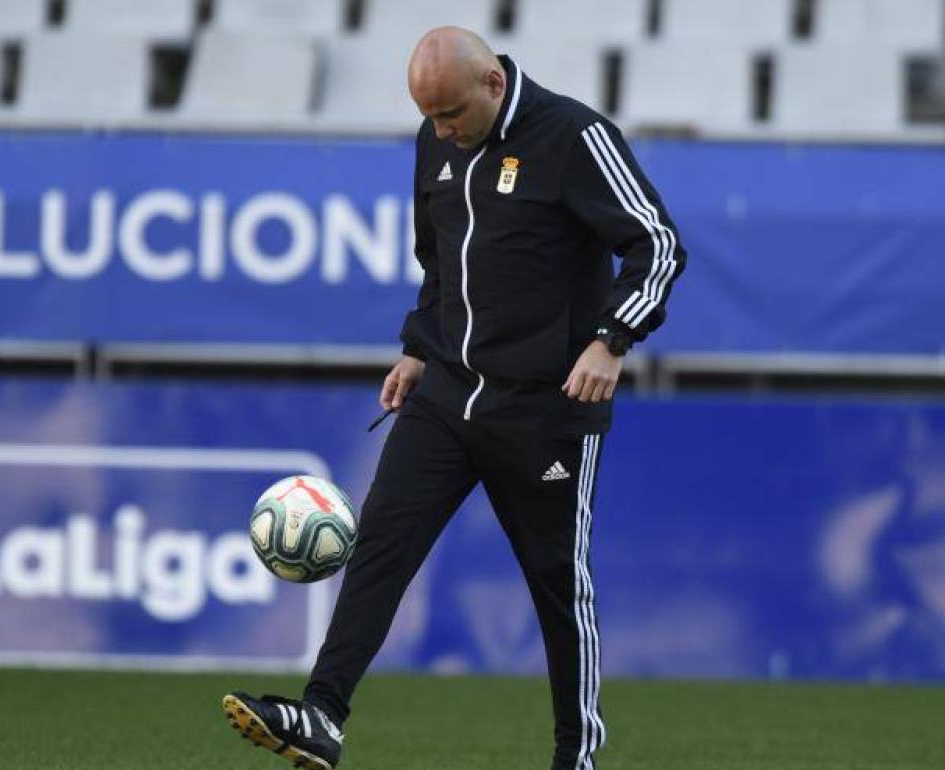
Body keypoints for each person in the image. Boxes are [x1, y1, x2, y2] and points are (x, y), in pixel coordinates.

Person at [222, 26, 686, 770]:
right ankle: (323, 714)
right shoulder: (436, 140)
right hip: (448, 393)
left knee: (558, 587)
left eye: (450, 116)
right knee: (380, 545)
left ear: (493, 85)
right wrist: (416, 346)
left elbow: (658, 245)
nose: (440, 132)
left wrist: (611, 339)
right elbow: (438, 259)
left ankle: (577, 756)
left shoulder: (575, 136)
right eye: (429, 118)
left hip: (546, 409)